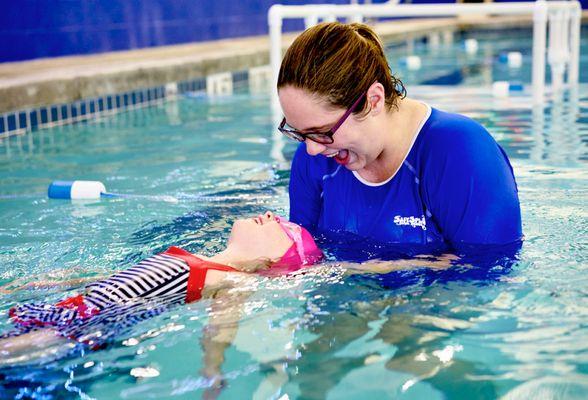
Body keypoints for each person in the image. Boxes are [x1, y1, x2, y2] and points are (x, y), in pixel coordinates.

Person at [277, 22, 522, 255]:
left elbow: (488, 273)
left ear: (373, 100)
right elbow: (305, 259)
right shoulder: (314, 159)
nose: (311, 149)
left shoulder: (461, 152)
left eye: (323, 132)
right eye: (300, 133)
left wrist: (365, 272)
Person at [0, 212, 322, 365]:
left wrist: (212, 370)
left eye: (281, 225)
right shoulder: (196, 256)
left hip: (95, 322)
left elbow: (221, 326)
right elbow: (117, 276)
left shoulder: (231, 278)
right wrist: (42, 284)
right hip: (78, 305)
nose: (270, 215)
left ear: (272, 262)